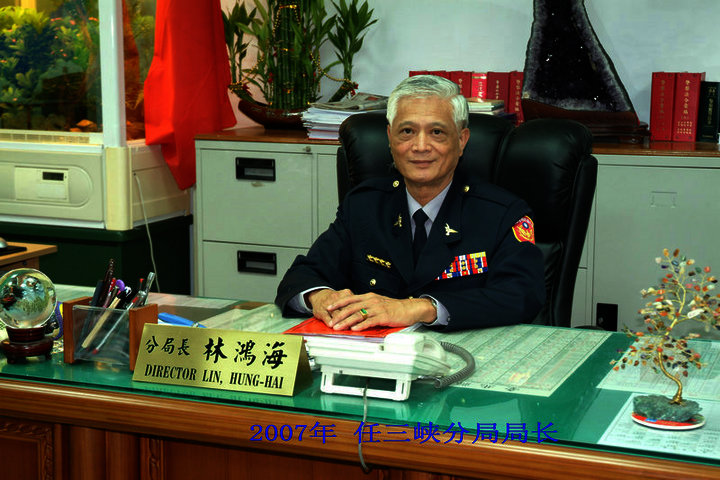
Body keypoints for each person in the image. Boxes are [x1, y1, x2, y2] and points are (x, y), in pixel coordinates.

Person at [275, 75, 545, 332]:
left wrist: (421, 308)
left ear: (461, 140)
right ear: (390, 138)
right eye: (407, 131)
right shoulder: (364, 206)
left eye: (437, 132)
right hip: (376, 355)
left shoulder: (501, 214)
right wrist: (320, 297)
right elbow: (302, 276)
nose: (420, 146)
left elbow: (522, 296)